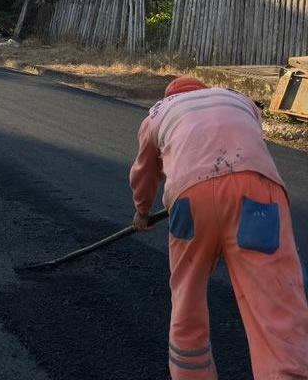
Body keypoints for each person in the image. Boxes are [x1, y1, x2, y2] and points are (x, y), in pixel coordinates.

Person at [129, 76, 308, 378]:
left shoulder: (158, 113)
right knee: (277, 303)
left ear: (169, 95)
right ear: (203, 89)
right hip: (260, 194)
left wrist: (143, 210)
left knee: (188, 296)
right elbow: (245, 137)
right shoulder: (238, 99)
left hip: (191, 201)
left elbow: (145, 171)